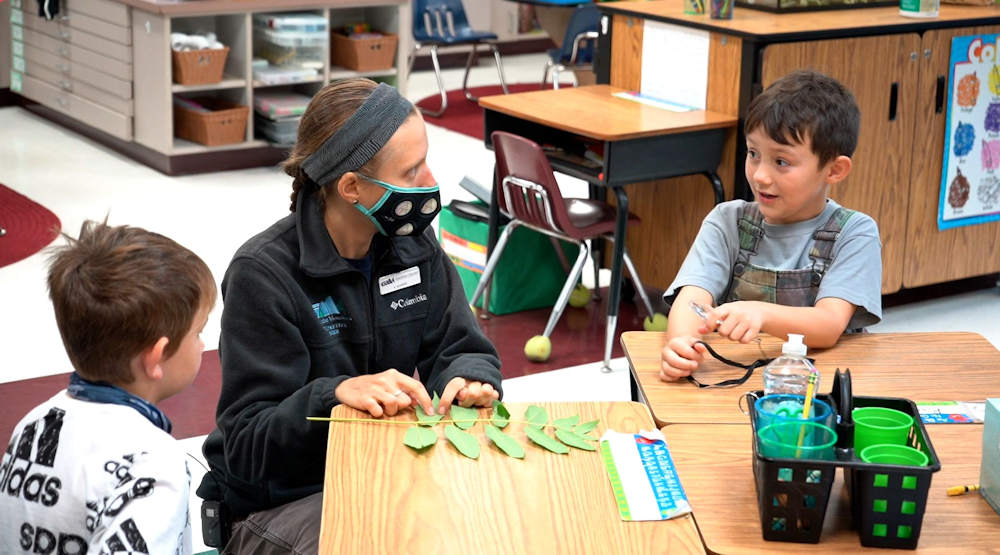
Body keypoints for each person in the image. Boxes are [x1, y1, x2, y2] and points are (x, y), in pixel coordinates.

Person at [197, 79, 503, 553]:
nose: (430, 182)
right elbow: (246, 444)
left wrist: (468, 380)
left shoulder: (413, 249)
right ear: (352, 188)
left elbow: (462, 348)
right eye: (412, 170)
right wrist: (333, 397)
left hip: (382, 469)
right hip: (281, 502)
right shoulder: (264, 274)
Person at [0, 220, 216, 554]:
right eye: (197, 331)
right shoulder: (151, 463)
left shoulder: (33, 424)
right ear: (156, 357)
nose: (202, 345)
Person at [659, 69, 882, 382]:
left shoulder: (854, 233)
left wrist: (760, 313)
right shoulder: (727, 221)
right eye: (753, 154)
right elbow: (693, 299)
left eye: (781, 162)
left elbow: (829, 324)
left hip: (817, 389)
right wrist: (681, 343)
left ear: (834, 170)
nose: (760, 175)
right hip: (734, 379)